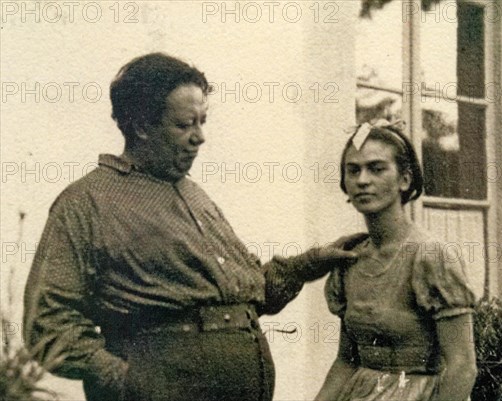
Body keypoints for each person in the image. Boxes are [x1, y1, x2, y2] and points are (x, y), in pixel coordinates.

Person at [23, 52, 360, 401]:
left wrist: (307, 265)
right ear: (141, 126)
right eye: (184, 125)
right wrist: (124, 379)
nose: (199, 137)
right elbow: (47, 323)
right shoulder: (86, 202)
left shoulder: (194, 195)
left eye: (202, 121)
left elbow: (242, 296)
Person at [314, 121, 477, 401]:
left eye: (377, 169)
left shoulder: (430, 256)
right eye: (353, 170)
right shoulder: (349, 258)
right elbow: (347, 361)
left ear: (405, 180)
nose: (362, 180)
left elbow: (463, 367)